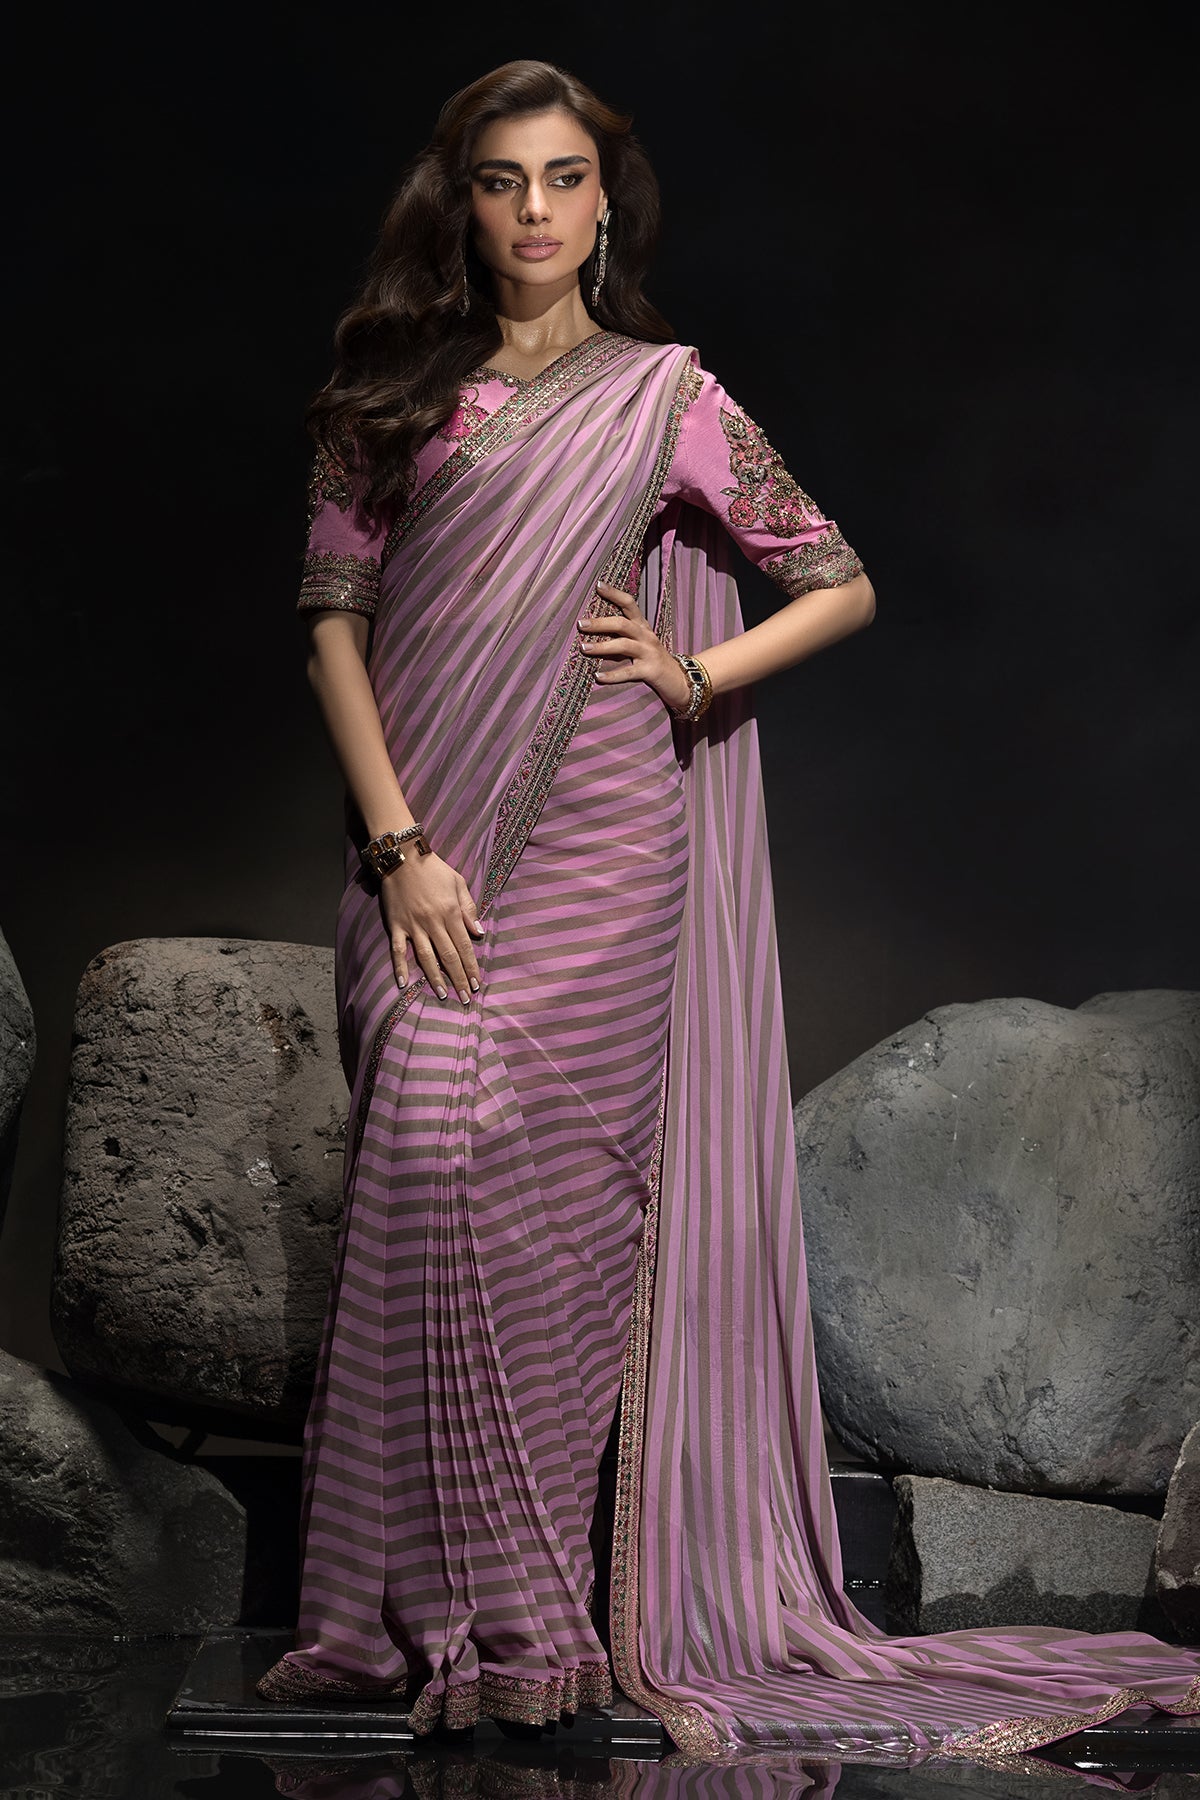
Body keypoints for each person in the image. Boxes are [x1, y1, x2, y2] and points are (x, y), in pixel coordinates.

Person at [258, 59, 1200, 1760]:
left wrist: (695, 672)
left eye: (564, 179)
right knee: (426, 1158)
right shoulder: (389, 398)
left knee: (548, 1215)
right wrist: (398, 848)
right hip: (429, 843)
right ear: (459, 204)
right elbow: (334, 623)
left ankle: (526, 1627)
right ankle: (394, 1617)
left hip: (609, 843)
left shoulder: (664, 396)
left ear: (604, 204)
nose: (534, 211)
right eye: (501, 180)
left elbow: (836, 580)